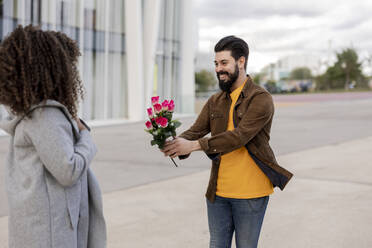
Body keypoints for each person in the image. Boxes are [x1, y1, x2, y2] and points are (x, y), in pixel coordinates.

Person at [162, 35, 293, 248]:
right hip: (218, 193)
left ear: (241, 62)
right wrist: (175, 143)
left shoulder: (261, 98)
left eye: (224, 63)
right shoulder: (215, 100)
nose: (218, 69)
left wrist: (194, 145)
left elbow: (239, 136)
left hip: (251, 193)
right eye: (215, 63)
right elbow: (196, 130)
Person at [0, 25, 106, 248]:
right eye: (69, 66)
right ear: (53, 67)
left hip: (38, 226)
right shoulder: (44, 115)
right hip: (50, 233)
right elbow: (68, 170)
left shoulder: (30, 112)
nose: (72, 73)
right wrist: (86, 136)